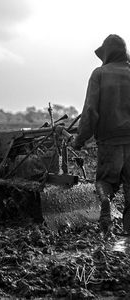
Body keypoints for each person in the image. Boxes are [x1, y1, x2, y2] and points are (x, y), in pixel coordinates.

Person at [72, 34, 130, 235]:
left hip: (109, 141)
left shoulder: (99, 74)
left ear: (107, 54)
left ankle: (105, 203)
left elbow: (90, 111)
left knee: (105, 181)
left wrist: (79, 140)